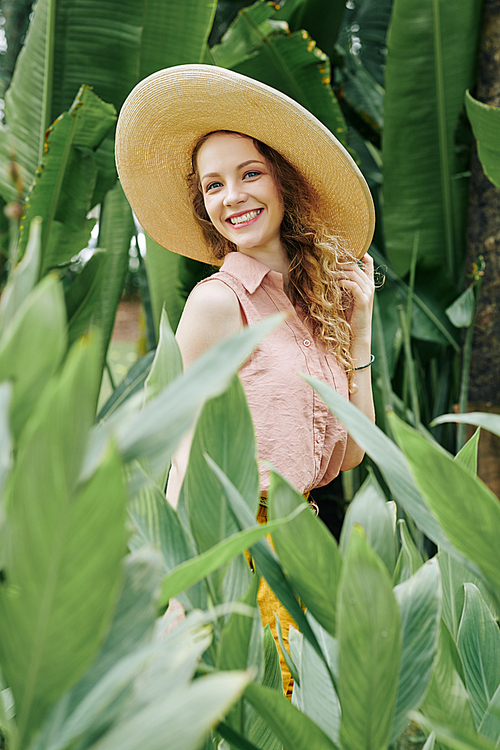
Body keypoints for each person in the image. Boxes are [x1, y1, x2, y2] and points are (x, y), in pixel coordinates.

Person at [115, 64, 376, 695]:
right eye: (213, 185)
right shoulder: (217, 304)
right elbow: (182, 450)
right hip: (236, 548)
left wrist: (359, 326)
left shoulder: (315, 309)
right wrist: (178, 588)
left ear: (283, 183)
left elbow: (348, 452)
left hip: (304, 545)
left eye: (249, 173)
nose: (231, 196)